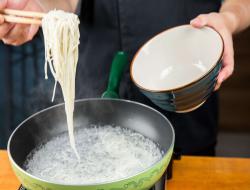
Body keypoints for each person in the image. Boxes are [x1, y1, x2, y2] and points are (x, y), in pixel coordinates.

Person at [0, 0, 250, 155]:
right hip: (96, 75)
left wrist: (229, 19)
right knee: (91, 152)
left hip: (185, 81)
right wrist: (42, 9)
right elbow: (67, 2)